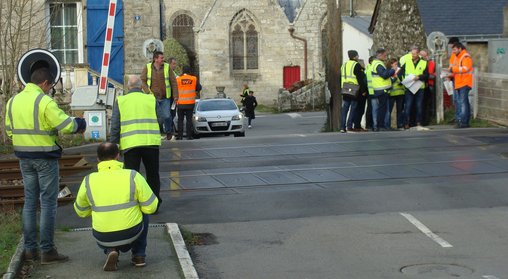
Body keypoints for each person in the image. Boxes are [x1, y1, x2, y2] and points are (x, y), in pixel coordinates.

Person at [5, 67, 86, 264]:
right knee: (48, 203)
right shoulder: (43, 101)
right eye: (49, 86)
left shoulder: (13, 101)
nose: (49, 90)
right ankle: (47, 250)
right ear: (44, 84)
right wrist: (80, 124)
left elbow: (9, 130)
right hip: (45, 158)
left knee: (30, 202)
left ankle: (30, 250)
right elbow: (65, 124)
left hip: (24, 157)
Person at [74, 142, 158, 271]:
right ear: (118, 156)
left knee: (100, 215)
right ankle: (139, 256)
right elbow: (151, 207)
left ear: (98, 158)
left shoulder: (88, 180)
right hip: (132, 232)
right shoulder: (133, 175)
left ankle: (111, 250)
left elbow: (81, 211)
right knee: (143, 212)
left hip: (102, 236)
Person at [110, 75, 162, 212]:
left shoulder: (121, 101)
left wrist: (114, 146)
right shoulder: (151, 99)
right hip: (151, 143)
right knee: (153, 175)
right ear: (140, 86)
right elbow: (162, 119)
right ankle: (154, 204)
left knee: (132, 176)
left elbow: (115, 126)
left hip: (130, 145)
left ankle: (134, 204)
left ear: (128, 86)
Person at [141, 51, 178, 140]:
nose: (163, 59)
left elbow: (173, 82)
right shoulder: (147, 67)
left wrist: (175, 95)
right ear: (155, 59)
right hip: (152, 98)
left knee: (167, 116)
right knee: (155, 117)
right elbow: (143, 81)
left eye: (163, 58)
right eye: (161, 58)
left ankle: (168, 131)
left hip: (165, 98)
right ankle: (157, 133)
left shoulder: (167, 67)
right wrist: (148, 92)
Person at [398, 46, 428, 129]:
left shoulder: (424, 63)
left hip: (420, 87)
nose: (413, 55)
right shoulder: (407, 62)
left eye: (414, 54)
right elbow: (399, 73)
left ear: (418, 54)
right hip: (409, 87)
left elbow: (426, 75)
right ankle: (406, 123)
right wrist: (404, 81)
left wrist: (419, 77)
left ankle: (418, 122)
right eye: (412, 54)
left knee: (419, 105)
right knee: (408, 105)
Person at [340, 50, 367, 133]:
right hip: (354, 88)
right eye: (357, 55)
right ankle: (349, 126)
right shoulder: (356, 65)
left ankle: (342, 127)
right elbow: (360, 79)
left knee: (345, 109)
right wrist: (363, 90)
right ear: (355, 56)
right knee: (353, 108)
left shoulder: (343, 65)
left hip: (345, 88)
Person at [370, 48, 396, 132]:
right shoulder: (378, 64)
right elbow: (384, 75)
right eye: (385, 55)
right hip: (381, 90)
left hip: (380, 89)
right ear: (380, 55)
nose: (386, 57)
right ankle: (380, 126)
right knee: (382, 109)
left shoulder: (376, 63)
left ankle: (381, 126)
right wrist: (393, 70)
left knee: (382, 109)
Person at [449, 42, 473, 128]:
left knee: (463, 103)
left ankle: (463, 122)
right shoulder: (459, 57)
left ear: (460, 48)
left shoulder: (465, 56)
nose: (453, 51)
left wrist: (453, 69)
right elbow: (459, 70)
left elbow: (465, 68)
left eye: (454, 49)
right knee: (464, 103)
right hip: (460, 83)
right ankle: (464, 122)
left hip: (464, 83)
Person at [176, 65, 202, 140]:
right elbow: (199, 88)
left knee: (180, 120)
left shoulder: (178, 79)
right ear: (189, 70)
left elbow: (174, 89)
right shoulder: (193, 79)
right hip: (190, 103)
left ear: (182, 70)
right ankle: (189, 136)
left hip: (180, 103)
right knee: (189, 120)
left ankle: (180, 136)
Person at [387, 58, 405, 130]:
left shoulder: (399, 71)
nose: (396, 66)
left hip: (400, 92)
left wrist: (402, 81)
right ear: (391, 65)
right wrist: (394, 77)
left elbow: (403, 79)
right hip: (392, 93)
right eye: (395, 64)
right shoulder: (389, 71)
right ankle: (388, 125)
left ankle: (399, 125)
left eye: (397, 64)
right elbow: (389, 81)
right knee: (389, 110)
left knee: (400, 110)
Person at [420, 49, 436, 125]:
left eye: (424, 56)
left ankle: (427, 120)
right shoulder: (419, 63)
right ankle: (421, 120)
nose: (423, 57)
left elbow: (435, 74)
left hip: (429, 85)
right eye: (422, 56)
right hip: (420, 85)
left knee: (428, 104)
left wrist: (429, 76)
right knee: (421, 104)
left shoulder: (431, 63)